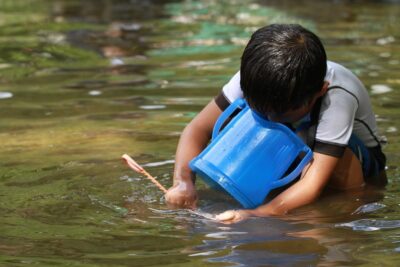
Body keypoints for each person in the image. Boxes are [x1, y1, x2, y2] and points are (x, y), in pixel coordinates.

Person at [165, 24, 387, 223]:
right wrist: (184, 183)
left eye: (282, 114)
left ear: (320, 91)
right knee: (248, 123)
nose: (270, 119)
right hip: (294, 153)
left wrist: (259, 214)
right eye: (263, 111)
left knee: (337, 162)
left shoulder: (338, 95)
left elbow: (314, 182)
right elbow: (196, 130)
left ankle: (344, 209)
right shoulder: (256, 76)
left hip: (350, 164)